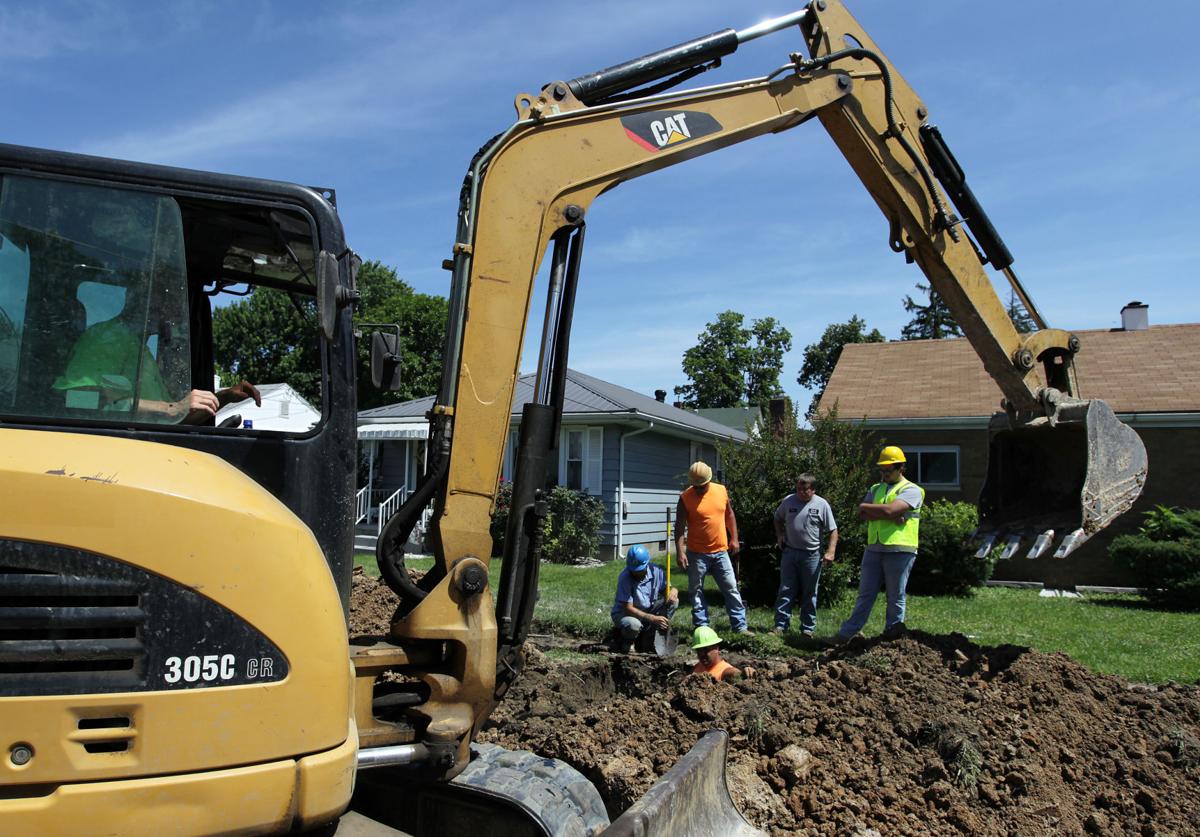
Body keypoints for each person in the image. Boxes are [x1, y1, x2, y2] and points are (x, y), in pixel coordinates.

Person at [54, 315, 260, 424]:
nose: (176, 316)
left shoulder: (142, 351)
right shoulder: (108, 336)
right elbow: (75, 398)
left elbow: (174, 418)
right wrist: (170, 408)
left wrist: (224, 397)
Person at [834, 446, 925, 642]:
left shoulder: (912, 490)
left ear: (900, 468)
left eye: (888, 470)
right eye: (881, 470)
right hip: (874, 547)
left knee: (895, 597)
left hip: (900, 548)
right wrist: (882, 511)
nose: (883, 474)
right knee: (865, 595)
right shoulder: (876, 488)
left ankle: (892, 638)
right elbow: (863, 512)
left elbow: (890, 511)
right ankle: (846, 635)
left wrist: (883, 511)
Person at [675, 461, 754, 637]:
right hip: (696, 553)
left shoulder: (721, 490)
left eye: (702, 486)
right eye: (696, 487)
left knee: (731, 587)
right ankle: (702, 627)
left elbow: (729, 514)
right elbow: (679, 528)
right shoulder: (685, 498)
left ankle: (740, 626)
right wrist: (680, 552)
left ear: (709, 480)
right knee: (696, 591)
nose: (699, 490)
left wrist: (734, 538)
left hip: (720, 551)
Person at [771, 473, 838, 638]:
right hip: (790, 552)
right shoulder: (789, 501)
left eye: (805, 489)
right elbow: (777, 518)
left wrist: (830, 551)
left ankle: (807, 629)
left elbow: (833, 530)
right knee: (786, 589)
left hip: (812, 555)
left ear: (813, 490)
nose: (800, 492)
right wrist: (780, 536)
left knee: (809, 592)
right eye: (798, 488)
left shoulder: (822, 505)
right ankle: (780, 625)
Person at [610, 544, 678, 653]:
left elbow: (668, 589)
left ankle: (656, 632)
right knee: (633, 625)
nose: (635, 573)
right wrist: (651, 618)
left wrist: (674, 591)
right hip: (626, 614)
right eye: (633, 570)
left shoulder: (657, 571)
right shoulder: (625, 577)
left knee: (674, 602)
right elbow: (628, 608)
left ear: (647, 564)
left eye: (639, 570)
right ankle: (627, 640)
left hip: (648, 610)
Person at [690, 626, 755, 681]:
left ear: (717, 649)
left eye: (706, 650)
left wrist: (745, 672)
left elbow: (734, 673)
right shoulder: (699, 666)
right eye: (699, 650)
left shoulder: (724, 671)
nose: (702, 654)